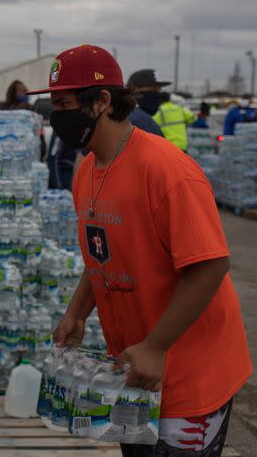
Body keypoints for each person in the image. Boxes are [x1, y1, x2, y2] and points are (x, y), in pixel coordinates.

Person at [28, 44, 251, 457]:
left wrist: (156, 346)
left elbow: (211, 265)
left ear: (101, 102)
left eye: (64, 104)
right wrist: (77, 312)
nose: (56, 116)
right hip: (135, 372)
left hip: (186, 369)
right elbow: (103, 256)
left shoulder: (165, 169)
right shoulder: (86, 169)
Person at [128, 69, 195, 150]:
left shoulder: (127, 115)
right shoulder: (142, 121)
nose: (157, 94)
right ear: (134, 90)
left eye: (159, 90)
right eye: (153, 90)